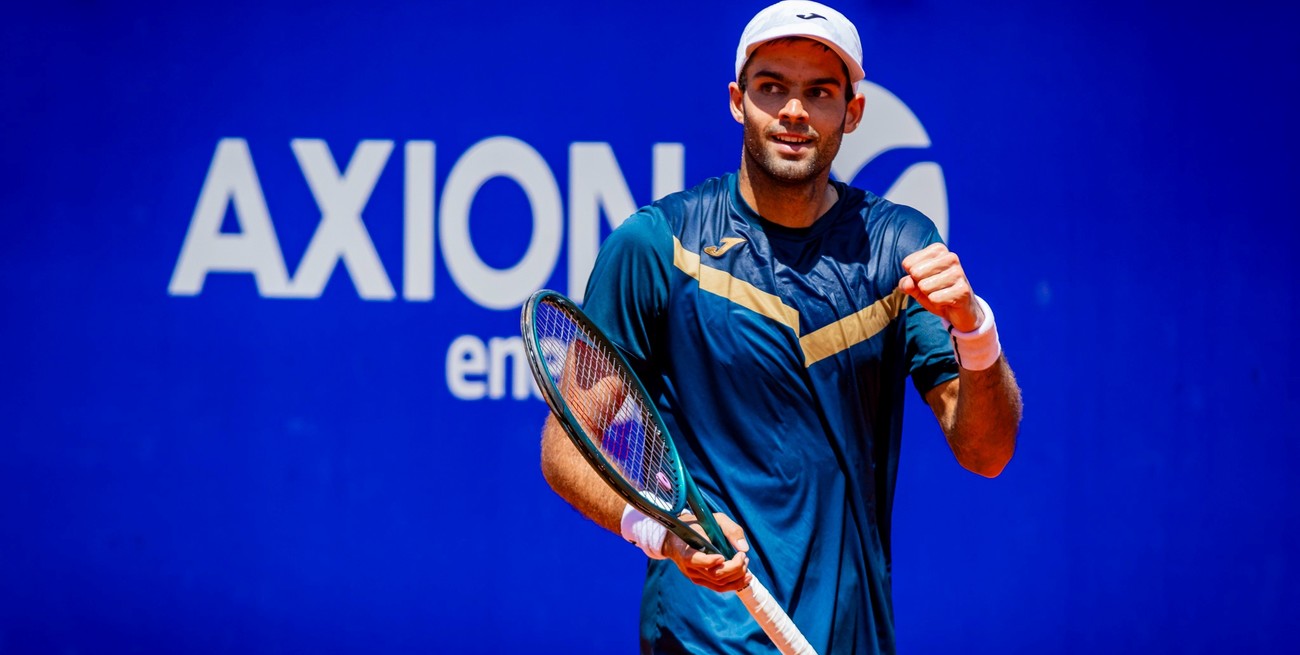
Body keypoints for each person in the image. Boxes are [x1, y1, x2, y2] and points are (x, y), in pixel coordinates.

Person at [539, 1, 1023, 653]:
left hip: (849, 637)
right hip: (699, 635)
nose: (794, 111)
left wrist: (974, 327)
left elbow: (986, 450)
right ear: (739, 101)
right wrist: (661, 532)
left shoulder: (898, 247)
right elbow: (566, 444)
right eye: (773, 88)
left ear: (852, 113)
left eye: (819, 92)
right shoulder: (659, 245)